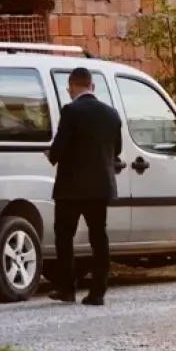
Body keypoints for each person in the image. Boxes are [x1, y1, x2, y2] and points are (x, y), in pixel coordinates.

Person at [46, 67, 122, 306]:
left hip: (71, 189)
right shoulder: (111, 114)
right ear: (93, 86)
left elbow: (58, 149)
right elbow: (116, 150)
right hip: (101, 187)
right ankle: (98, 292)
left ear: (71, 87)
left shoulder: (71, 111)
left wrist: (51, 154)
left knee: (64, 236)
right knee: (99, 237)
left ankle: (67, 289)